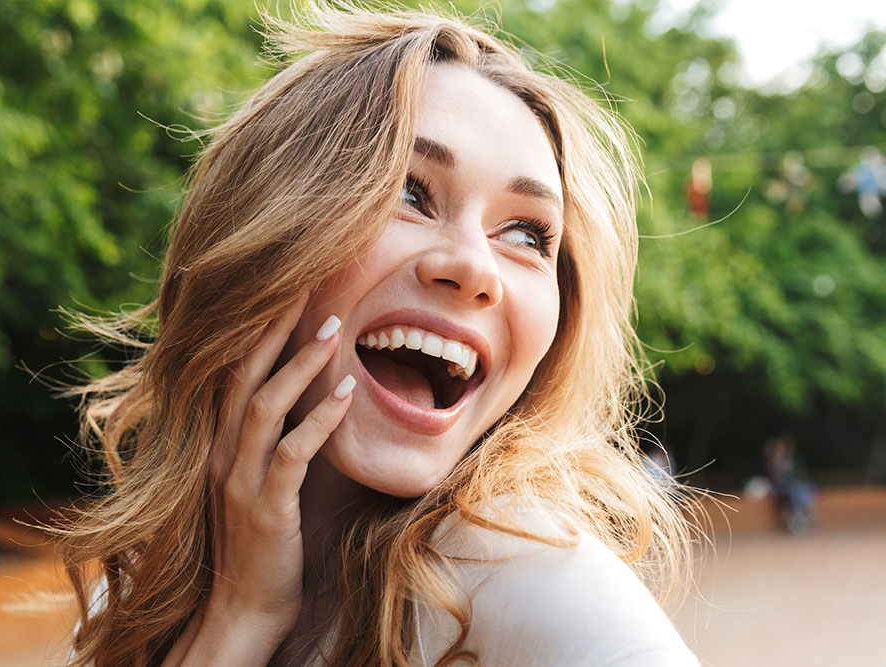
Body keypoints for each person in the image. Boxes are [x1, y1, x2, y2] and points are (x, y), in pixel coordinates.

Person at [57, 3, 699, 665]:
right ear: (266, 237)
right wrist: (239, 616)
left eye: (527, 234)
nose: (476, 269)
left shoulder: (537, 581)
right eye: (407, 193)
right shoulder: (136, 592)